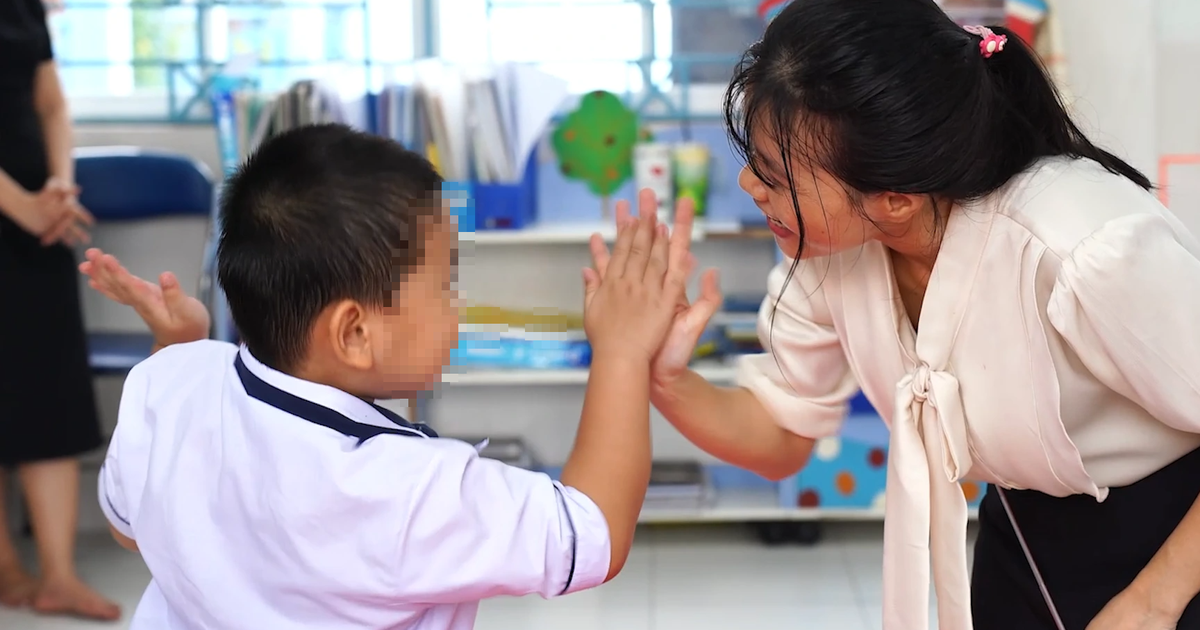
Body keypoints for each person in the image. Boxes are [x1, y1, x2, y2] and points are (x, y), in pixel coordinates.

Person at [588, 0, 1200, 629]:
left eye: (774, 174)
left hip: (1180, 534)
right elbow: (780, 434)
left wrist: (1154, 602)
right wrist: (657, 373)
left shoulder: (1083, 248)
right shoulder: (835, 253)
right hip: (1027, 529)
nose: (749, 185)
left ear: (895, 200)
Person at [78, 123, 699, 630]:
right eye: (445, 283)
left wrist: (178, 349)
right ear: (354, 334)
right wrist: (620, 352)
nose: (457, 304)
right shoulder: (404, 489)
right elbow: (590, 534)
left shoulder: (164, 382)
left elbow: (129, 528)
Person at [0, 0, 120, 621]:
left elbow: (51, 103)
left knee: (48, 388)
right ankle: (6, 567)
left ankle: (59, 575)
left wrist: (58, 187)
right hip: (17, 212)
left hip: (38, 223)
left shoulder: (24, 9)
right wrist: (20, 205)